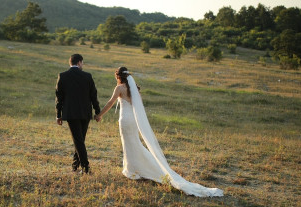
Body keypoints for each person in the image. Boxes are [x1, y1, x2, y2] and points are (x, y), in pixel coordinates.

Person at [95, 67, 223, 197]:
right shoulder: (135, 90)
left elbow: (111, 102)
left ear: (118, 77)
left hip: (125, 121)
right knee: (134, 143)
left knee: (130, 145)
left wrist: (100, 115)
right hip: (133, 121)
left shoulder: (119, 88)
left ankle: (134, 170)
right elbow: (138, 108)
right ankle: (133, 169)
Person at [55, 54, 101, 174]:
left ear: (70, 62)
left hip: (71, 113)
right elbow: (93, 96)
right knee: (80, 140)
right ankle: (76, 166)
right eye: (82, 63)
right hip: (85, 113)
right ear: (79, 62)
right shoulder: (87, 76)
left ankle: (85, 168)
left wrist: (58, 114)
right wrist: (97, 112)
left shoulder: (63, 76)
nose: (82, 65)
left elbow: (59, 97)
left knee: (79, 140)